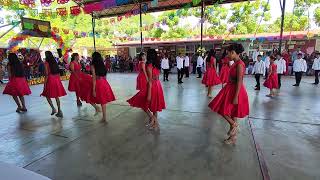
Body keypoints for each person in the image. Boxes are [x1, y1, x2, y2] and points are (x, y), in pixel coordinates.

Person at [208, 43, 249, 145]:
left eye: (229, 53)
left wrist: (236, 97)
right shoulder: (234, 63)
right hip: (229, 88)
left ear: (234, 53)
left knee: (223, 110)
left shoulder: (240, 64)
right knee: (230, 112)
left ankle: (234, 125)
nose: (228, 55)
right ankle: (233, 137)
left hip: (235, 91)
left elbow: (240, 81)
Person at [41, 51, 66, 117]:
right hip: (56, 79)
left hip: (50, 80)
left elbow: (46, 74)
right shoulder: (54, 62)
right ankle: (59, 110)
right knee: (56, 96)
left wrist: (44, 85)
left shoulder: (46, 63)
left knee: (47, 95)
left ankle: (53, 108)